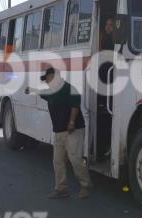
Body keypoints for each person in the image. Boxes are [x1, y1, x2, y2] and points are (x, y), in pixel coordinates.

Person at [26, 67, 92, 199]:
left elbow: (75, 106)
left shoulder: (70, 89)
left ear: (55, 77)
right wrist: (32, 90)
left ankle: (86, 185)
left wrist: (72, 122)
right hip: (59, 131)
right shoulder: (51, 91)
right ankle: (61, 189)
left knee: (75, 159)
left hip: (73, 130)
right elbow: (42, 93)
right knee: (58, 160)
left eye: (48, 79)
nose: (47, 82)